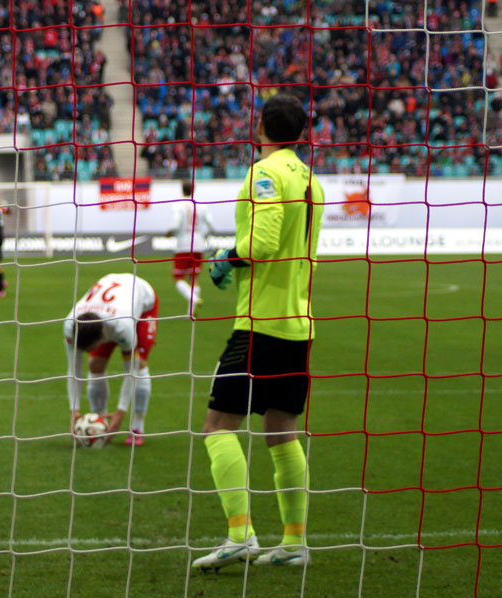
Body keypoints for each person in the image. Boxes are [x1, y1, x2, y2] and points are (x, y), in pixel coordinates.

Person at [191, 93, 325, 571]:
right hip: (299, 324)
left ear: (260, 127)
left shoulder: (264, 173)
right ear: (302, 132)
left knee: (217, 426)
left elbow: (264, 242)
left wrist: (225, 258)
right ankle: (293, 543)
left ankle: (239, 535)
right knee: (281, 431)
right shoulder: (311, 180)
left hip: (260, 324)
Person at [63, 273, 158, 447]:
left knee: (139, 364)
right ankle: (100, 423)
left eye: (90, 348)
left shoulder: (123, 327)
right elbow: (74, 371)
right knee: (95, 364)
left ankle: (137, 427)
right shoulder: (70, 326)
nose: (87, 352)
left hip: (144, 302)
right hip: (109, 306)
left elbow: (131, 372)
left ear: (102, 334)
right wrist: (73, 410)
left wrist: (121, 412)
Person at [167, 181, 215, 314]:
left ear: (182, 190)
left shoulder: (178, 205)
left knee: (178, 278)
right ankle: (190, 312)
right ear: (193, 190)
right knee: (194, 278)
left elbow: (175, 225)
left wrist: (169, 233)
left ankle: (194, 299)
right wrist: (202, 235)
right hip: (198, 245)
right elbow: (212, 225)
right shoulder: (201, 205)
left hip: (183, 245)